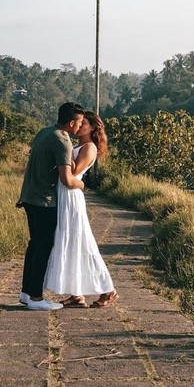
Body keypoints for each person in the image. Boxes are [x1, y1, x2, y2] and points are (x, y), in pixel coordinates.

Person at [44, 110, 118, 308]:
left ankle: (107, 288)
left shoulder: (89, 148)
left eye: (84, 123)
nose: (79, 126)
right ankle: (76, 294)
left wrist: (65, 147)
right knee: (69, 243)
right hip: (63, 194)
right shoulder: (77, 145)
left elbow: (74, 173)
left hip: (71, 196)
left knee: (82, 242)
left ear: (92, 127)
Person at [17, 102, 86, 311]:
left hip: (30, 196)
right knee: (43, 247)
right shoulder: (62, 140)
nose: (80, 126)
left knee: (35, 245)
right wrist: (82, 184)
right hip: (44, 201)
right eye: (80, 122)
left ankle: (26, 293)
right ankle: (36, 298)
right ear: (71, 122)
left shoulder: (44, 132)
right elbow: (67, 179)